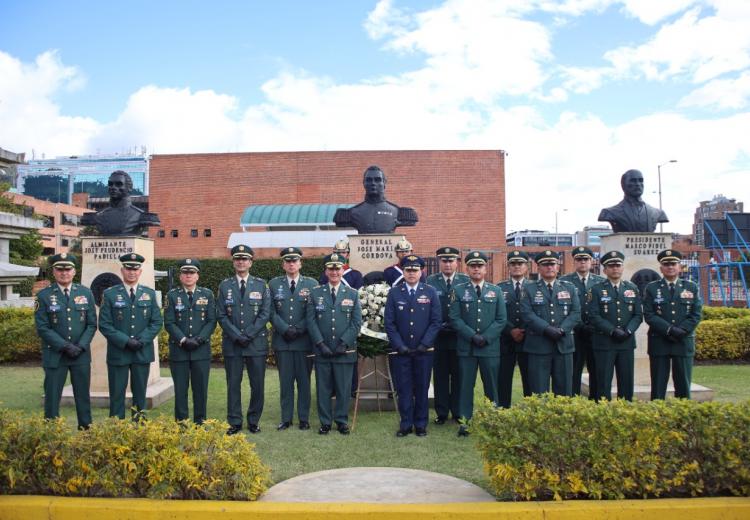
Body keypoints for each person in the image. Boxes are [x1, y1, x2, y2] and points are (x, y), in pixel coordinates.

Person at [34, 253, 96, 430]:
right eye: (59, 269)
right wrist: (65, 346)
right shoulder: (44, 296)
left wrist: (81, 346)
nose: (64, 273)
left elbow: (91, 324)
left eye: (67, 269)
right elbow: (43, 328)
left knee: (83, 395)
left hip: (80, 354)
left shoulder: (85, 293)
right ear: (53, 272)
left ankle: (86, 431)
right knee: (52, 396)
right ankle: (52, 433)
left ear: (74, 271)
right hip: (55, 354)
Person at [448, 251, 506, 437]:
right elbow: (454, 318)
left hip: (489, 348)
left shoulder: (495, 291)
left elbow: (501, 319)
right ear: (467, 268)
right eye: (472, 266)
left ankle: (492, 421)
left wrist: (486, 337)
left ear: (485, 268)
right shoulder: (458, 290)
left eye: (479, 266)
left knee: (492, 386)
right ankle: (466, 422)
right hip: (467, 347)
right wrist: (472, 336)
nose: (476, 269)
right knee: (465, 386)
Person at [99, 253, 163, 420]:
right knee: (117, 392)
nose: (132, 272)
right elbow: (105, 325)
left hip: (141, 352)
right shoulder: (110, 294)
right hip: (119, 352)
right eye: (128, 268)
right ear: (122, 270)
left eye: (135, 269)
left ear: (140, 271)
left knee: (140, 393)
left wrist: (141, 340)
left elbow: (156, 322)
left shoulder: (149, 294)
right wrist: (126, 341)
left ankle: (139, 425)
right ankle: (116, 427)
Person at [385, 255, 442, 437]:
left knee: (422, 387)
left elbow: (436, 321)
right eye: (408, 270)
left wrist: (424, 344)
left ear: (421, 271)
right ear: (403, 271)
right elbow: (390, 323)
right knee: (404, 388)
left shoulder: (430, 291)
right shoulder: (394, 292)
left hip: (424, 352)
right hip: (401, 351)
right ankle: (406, 423)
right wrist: (399, 345)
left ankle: (421, 423)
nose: (411, 273)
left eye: (415, 270)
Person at [306, 253, 363, 435]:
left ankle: (341, 420)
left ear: (343, 269)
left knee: (343, 388)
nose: (334, 272)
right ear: (326, 271)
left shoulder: (352, 294)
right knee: (323, 388)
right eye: (331, 268)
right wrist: (320, 343)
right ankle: (325, 422)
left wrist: (344, 343)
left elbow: (356, 323)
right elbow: (311, 321)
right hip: (322, 350)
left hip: (344, 352)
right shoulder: (315, 293)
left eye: (337, 268)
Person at [217, 245, 271, 435]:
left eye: (245, 259)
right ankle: (235, 422)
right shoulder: (225, 286)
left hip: (255, 344)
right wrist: (236, 335)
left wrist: (248, 334)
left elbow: (265, 314)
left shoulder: (261, 284)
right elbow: (221, 315)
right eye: (237, 259)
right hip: (233, 345)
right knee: (233, 384)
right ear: (233, 262)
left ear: (251, 262)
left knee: (257, 385)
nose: (241, 262)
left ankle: (254, 420)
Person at [269, 247, 318, 431]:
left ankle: (304, 418)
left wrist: (298, 329)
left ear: (300, 263)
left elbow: (313, 312)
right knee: (285, 382)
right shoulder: (274, 284)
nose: (291, 264)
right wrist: (284, 329)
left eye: (294, 261)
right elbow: (271, 311)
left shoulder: (311, 284)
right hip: (283, 342)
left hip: (304, 341)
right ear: (283, 264)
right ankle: (286, 418)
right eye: (288, 261)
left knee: (304, 382)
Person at [643, 249, 703, 399]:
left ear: (680, 267)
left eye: (673, 264)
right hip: (660, 340)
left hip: (683, 340)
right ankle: (658, 414)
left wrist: (682, 330)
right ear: (661, 268)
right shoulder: (652, 288)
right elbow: (649, 315)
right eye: (666, 264)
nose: (670, 267)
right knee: (658, 384)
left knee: (683, 383)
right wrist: (669, 329)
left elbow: (696, 314)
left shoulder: (691, 287)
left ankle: (681, 416)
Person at [520, 251, 580, 397]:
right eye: (545, 264)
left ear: (558, 267)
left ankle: (562, 419)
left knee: (564, 389)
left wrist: (562, 330)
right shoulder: (529, 288)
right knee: (538, 389)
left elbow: (576, 313)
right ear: (538, 268)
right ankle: (541, 420)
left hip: (563, 344)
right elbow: (527, 314)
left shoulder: (569, 287)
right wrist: (546, 329)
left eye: (552, 264)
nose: (549, 267)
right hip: (538, 345)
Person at [163, 258, 216, 423]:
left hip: (201, 351)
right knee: (180, 390)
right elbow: (169, 322)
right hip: (179, 350)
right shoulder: (172, 296)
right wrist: (184, 340)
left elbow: (212, 321)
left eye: (191, 272)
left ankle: (200, 422)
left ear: (197, 276)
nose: (188, 276)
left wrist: (199, 339)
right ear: (180, 276)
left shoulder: (207, 294)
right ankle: (182, 423)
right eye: (185, 272)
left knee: (200, 390)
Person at [586, 251, 643, 401]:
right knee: (603, 381)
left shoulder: (632, 288)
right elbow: (593, 315)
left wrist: (628, 330)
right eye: (611, 266)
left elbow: (638, 315)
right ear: (604, 270)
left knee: (626, 380)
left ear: (623, 268)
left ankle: (625, 411)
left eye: (618, 265)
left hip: (626, 342)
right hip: (604, 342)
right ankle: (603, 412)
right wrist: (612, 331)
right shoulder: (596, 290)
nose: (615, 269)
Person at [425, 246, 469, 424]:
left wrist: (457, 325)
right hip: (439, 336)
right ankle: (442, 412)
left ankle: (458, 412)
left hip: (459, 336)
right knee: (441, 376)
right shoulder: (430, 281)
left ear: (457, 262)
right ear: (439, 262)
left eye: (451, 260)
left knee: (459, 375)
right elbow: (426, 307)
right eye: (444, 260)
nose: (448, 264)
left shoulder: (465, 281)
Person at [560, 246, 605, 399]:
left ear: (592, 261)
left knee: (597, 370)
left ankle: (596, 403)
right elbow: (564, 309)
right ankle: (573, 404)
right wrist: (578, 325)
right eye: (579, 259)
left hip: (595, 333)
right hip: (574, 333)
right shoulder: (564, 281)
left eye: (586, 259)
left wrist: (594, 326)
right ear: (574, 262)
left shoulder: (601, 282)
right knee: (573, 371)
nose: (583, 262)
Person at [333, 165, 418, 234]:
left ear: (384, 183)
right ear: (364, 184)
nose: (373, 183)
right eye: (369, 180)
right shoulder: (350, 213)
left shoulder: (401, 213)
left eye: (377, 180)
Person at [497, 250, 532, 408]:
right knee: (503, 378)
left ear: (527, 266)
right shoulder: (499, 288)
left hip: (529, 338)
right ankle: (503, 410)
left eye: (520, 264)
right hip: (506, 339)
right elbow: (496, 314)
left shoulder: (534, 287)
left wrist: (523, 330)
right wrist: (511, 330)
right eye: (513, 264)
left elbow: (535, 313)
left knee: (530, 378)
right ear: (508, 266)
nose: (517, 266)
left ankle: (531, 410)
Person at [80, 170, 160, 236]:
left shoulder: (142, 216)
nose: (113, 187)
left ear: (129, 188)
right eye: (110, 184)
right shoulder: (98, 216)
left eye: (119, 184)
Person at [598, 169, 669, 232]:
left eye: (640, 180)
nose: (638, 184)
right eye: (633, 181)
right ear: (623, 184)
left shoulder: (657, 213)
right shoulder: (610, 212)